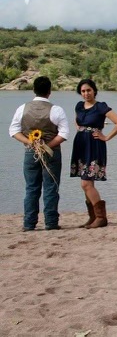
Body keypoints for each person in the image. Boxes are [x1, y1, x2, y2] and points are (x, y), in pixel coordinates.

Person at [9, 76, 70, 231]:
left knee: (31, 188)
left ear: (33, 90)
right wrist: (47, 146)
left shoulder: (22, 108)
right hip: (52, 153)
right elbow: (64, 134)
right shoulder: (57, 110)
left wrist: (30, 143)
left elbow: (13, 131)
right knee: (51, 187)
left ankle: (29, 224)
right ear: (49, 91)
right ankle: (51, 222)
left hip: (30, 153)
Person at [70, 79, 117, 228]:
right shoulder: (79, 106)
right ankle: (93, 217)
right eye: (83, 91)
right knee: (86, 181)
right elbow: (77, 121)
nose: (86, 93)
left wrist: (105, 137)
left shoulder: (101, 107)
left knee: (86, 183)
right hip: (81, 145)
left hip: (94, 145)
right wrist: (82, 130)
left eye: (88, 90)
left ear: (94, 91)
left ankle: (101, 217)